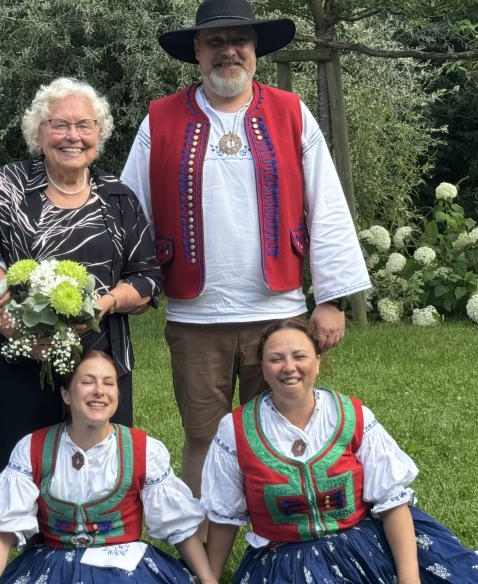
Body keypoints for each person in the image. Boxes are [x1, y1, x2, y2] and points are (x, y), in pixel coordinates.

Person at [120, 0, 371, 512]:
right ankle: (199, 553)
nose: (228, 51)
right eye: (215, 41)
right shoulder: (160, 119)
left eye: (240, 40)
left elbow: (326, 202)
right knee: (202, 439)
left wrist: (332, 298)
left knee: (279, 435)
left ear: (256, 49)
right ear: (197, 51)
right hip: (196, 315)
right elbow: (131, 211)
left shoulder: (289, 112)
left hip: (278, 312)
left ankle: (276, 543)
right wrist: (132, 285)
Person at [200, 320, 478, 584]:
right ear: (262, 368)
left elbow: (392, 503)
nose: (288, 367)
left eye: (299, 356)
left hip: (364, 543)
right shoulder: (235, 430)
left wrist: (409, 580)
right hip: (284, 561)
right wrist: (210, 580)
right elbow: (223, 517)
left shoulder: (353, 416)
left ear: (317, 362)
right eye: (276, 358)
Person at [0, 77, 162, 482]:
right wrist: (19, 334)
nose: (73, 136)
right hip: (21, 359)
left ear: (99, 134)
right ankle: (24, 542)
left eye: (84, 125)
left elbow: (147, 277)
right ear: (38, 133)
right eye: (59, 125)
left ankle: (103, 539)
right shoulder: (9, 188)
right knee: (23, 466)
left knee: (104, 466)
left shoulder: (117, 196)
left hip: (103, 358)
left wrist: (102, 304)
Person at [0, 351, 218, 584]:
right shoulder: (32, 448)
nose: (99, 391)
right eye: (88, 382)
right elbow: (1, 532)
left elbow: (178, 525)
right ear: (66, 394)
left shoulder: (144, 450)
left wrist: (207, 579)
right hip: (55, 565)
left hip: (124, 568)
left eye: (109, 383)